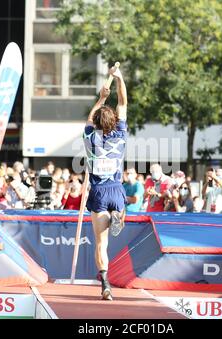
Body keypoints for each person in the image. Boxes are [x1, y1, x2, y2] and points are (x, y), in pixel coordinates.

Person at [83, 65, 127, 301]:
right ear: (114, 121)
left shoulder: (90, 137)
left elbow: (90, 119)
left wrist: (100, 98)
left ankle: (105, 284)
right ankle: (118, 216)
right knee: (120, 211)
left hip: (98, 192)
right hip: (116, 190)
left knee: (101, 243)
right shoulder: (120, 134)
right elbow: (122, 102)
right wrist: (119, 79)